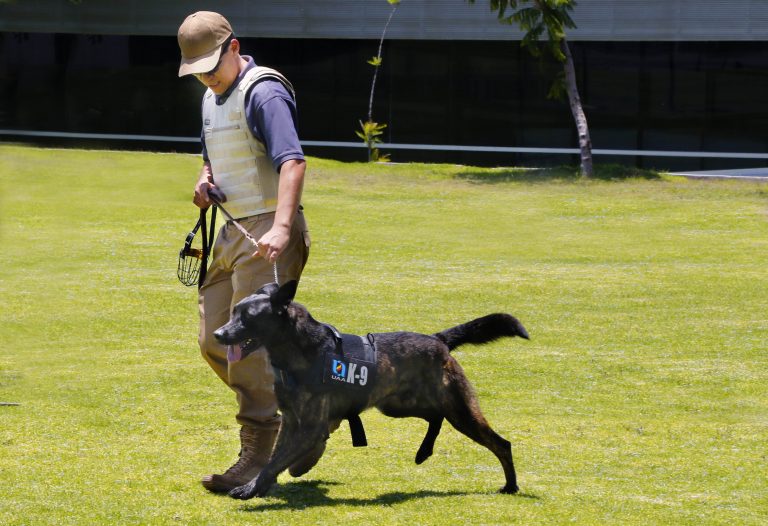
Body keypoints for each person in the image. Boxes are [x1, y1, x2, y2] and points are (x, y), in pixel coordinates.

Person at [177, 11, 310, 493]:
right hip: (230, 231)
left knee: (245, 345)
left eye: (213, 64)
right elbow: (214, 157)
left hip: (267, 233)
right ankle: (309, 411)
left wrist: (280, 227)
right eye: (198, 70)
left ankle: (260, 450)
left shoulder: (264, 92)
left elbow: (292, 161)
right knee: (215, 338)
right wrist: (205, 182)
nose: (208, 77)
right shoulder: (213, 99)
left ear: (235, 47)